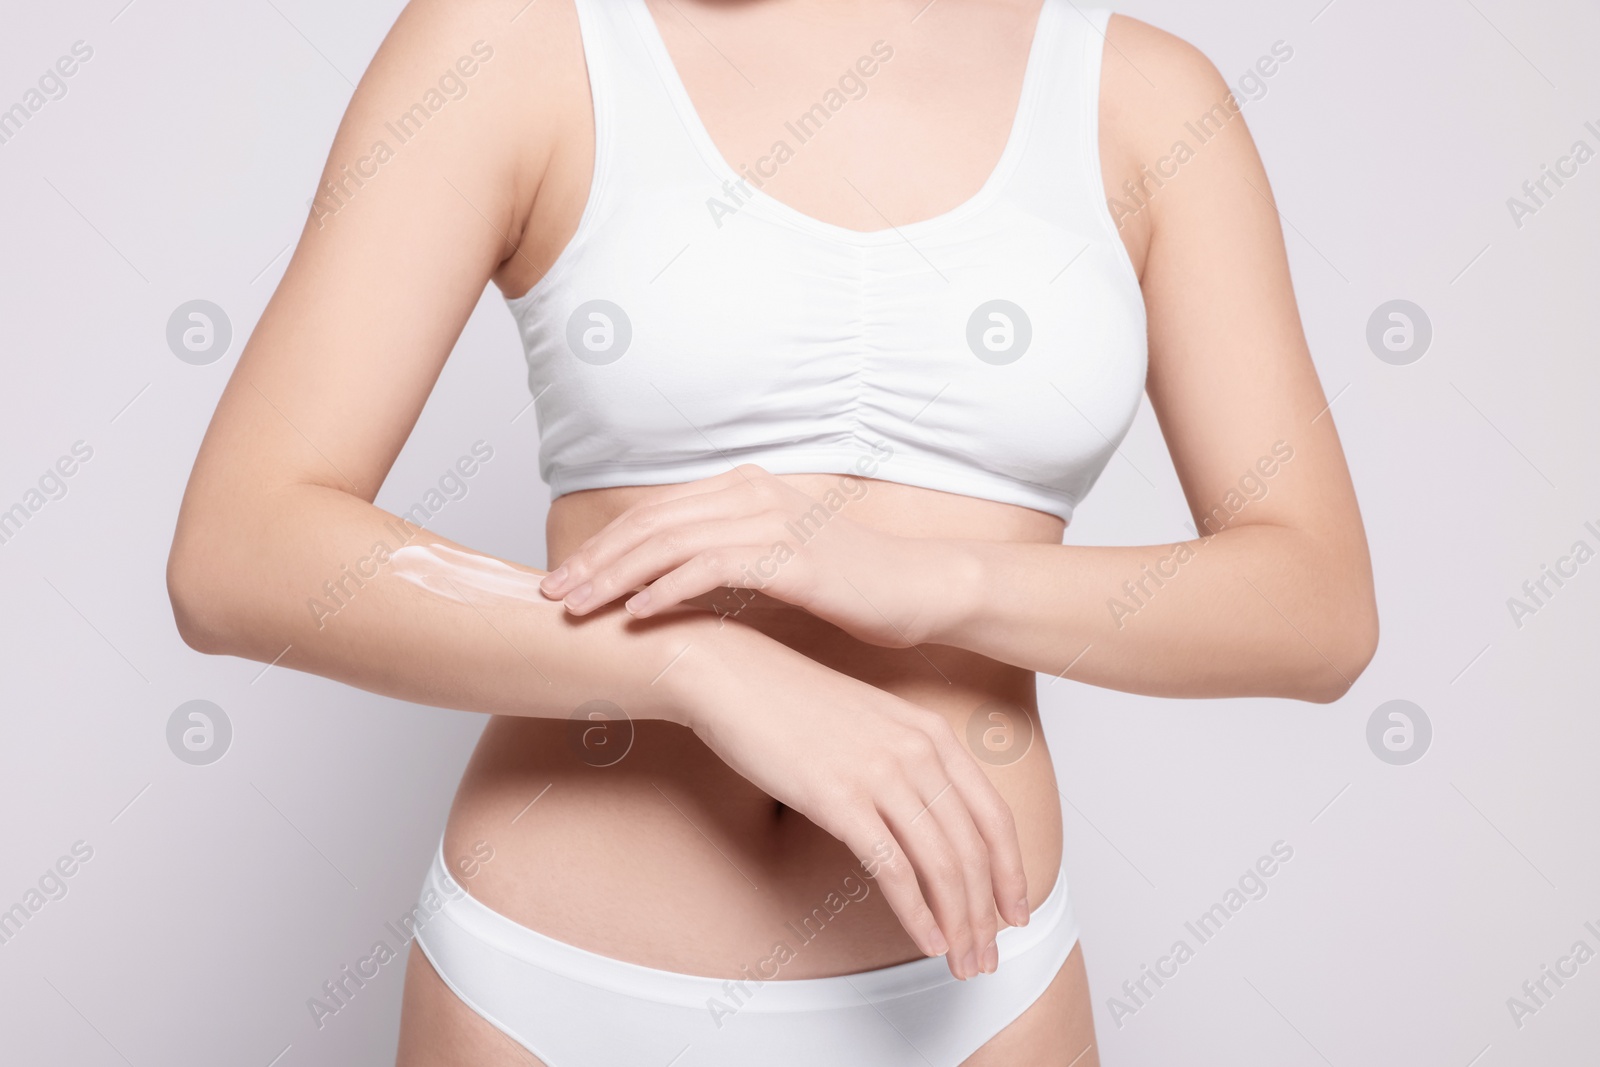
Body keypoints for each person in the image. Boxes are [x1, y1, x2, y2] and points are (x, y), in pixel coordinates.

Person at [167, 0, 1378, 1062]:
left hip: (970, 990)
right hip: (553, 986)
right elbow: (239, 552)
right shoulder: (518, 38)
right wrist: (698, 665)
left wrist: (932, 583)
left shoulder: (1146, 98)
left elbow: (1315, 606)